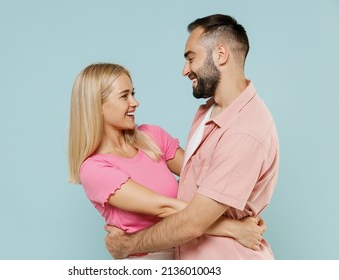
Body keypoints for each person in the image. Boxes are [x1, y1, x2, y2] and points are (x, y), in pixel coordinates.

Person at [105, 14, 279, 260]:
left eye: (190, 58)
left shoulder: (245, 130)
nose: (185, 70)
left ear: (220, 54)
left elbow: (193, 223)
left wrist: (127, 245)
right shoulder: (209, 113)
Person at [68, 63, 266, 259]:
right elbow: (164, 207)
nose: (135, 102)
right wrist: (235, 228)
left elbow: (202, 178)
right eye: (124, 96)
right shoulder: (95, 170)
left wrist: (247, 218)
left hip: (192, 248)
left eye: (133, 93)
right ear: (97, 106)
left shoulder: (152, 137)